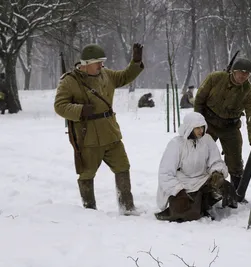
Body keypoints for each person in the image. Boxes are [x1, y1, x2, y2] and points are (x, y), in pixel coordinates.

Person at [54, 43, 144, 215]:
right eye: (98, 63)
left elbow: (124, 77)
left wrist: (136, 62)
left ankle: (127, 207)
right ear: (86, 63)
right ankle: (89, 210)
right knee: (87, 174)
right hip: (88, 136)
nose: (101, 66)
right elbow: (60, 106)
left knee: (123, 166)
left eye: (102, 62)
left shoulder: (106, 75)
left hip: (110, 132)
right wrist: (80, 110)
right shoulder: (70, 81)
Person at [155, 112, 237, 222]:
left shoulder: (207, 140)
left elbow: (215, 160)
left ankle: (203, 205)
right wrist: (178, 191)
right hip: (182, 184)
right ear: (189, 128)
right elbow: (165, 173)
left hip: (201, 180)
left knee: (224, 187)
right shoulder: (176, 144)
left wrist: (217, 173)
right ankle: (192, 208)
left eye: (202, 127)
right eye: (197, 128)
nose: (201, 131)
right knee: (185, 211)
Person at [194, 58, 251, 191]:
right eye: (240, 72)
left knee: (235, 160)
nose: (243, 76)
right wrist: (198, 124)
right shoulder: (215, 78)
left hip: (230, 126)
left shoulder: (249, 92)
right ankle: (197, 187)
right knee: (199, 154)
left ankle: (236, 192)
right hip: (208, 123)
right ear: (233, 71)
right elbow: (199, 100)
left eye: (247, 73)